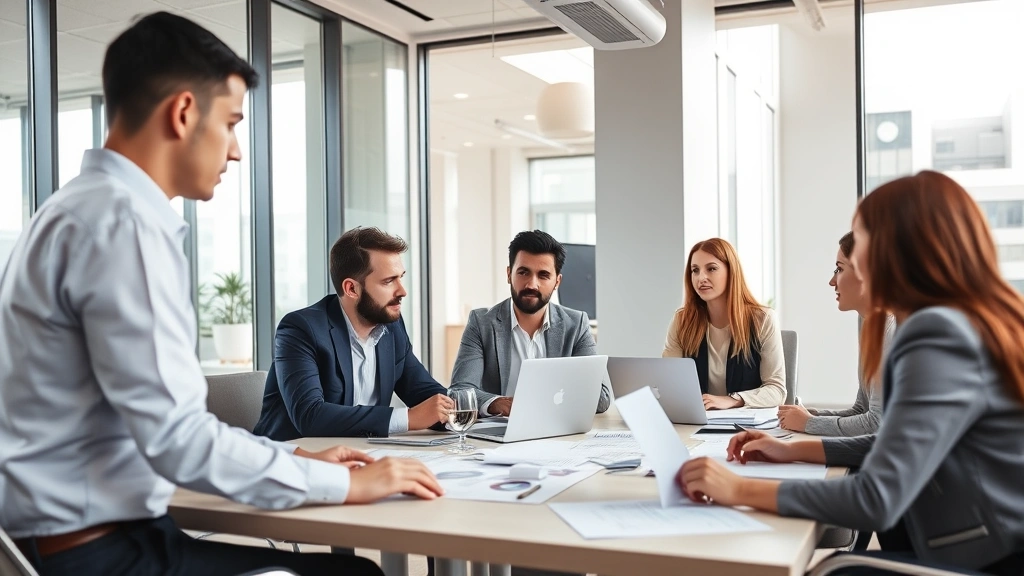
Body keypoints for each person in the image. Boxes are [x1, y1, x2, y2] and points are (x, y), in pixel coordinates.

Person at [0, 13, 443, 576]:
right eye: (231, 123)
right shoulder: (124, 226)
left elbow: (153, 427)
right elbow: (178, 438)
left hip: (91, 537)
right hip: (102, 555)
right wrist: (347, 483)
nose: (235, 150)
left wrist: (290, 456)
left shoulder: (73, 210)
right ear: (183, 112)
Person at [677, 171, 1024, 575]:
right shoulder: (959, 321)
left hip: (987, 560)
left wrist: (738, 488)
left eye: (861, 242)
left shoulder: (936, 333)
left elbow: (877, 497)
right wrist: (792, 450)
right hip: (990, 546)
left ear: (897, 251)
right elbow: (890, 442)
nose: (852, 261)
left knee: (834, 568)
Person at [254, 227, 453, 440]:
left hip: (364, 452)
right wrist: (409, 418)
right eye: (388, 281)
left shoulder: (391, 327)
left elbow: (428, 395)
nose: (402, 291)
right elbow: (310, 416)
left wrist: (465, 409)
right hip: (294, 455)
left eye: (401, 278)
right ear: (351, 289)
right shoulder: (301, 329)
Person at [450, 230, 610, 417]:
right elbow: (459, 392)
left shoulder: (576, 324)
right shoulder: (481, 323)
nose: (532, 284)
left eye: (543, 275)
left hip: (557, 429)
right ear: (509, 274)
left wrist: (542, 401)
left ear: (557, 282)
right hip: (501, 429)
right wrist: (497, 403)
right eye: (523, 272)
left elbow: (601, 398)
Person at [777, 232, 895, 435]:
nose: (832, 281)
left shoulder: (892, 329)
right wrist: (812, 416)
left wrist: (808, 423)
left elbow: (877, 423)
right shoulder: (868, 322)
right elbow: (862, 409)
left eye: (839, 269)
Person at [663, 238, 786, 409]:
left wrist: (733, 400)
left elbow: (776, 390)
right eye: (695, 270)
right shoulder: (682, 321)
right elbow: (669, 382)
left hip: (746, 422)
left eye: (711, 269)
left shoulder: (762, 319)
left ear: (731, 271)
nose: (701, 278)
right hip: (698, 420)